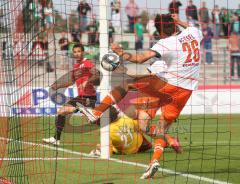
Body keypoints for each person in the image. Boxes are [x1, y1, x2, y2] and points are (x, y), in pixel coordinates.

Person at [78, 14, 203, 178]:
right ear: (175, 25)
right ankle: (154, 162)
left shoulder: (165, 44)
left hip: (167, 85)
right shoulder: (194, 32)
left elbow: (140, 58)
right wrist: (180, 21)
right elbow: (190, 27)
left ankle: (97, 112)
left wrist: (120, 52)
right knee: (156, 128)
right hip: (185, 91)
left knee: (127, 84)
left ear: (159, 32)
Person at [43, 43, 100, 145]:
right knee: (61, 112)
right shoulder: (75, 66)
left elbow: (96, 74)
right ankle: (56, 139)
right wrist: (59, 86)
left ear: (83, 52)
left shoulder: (87, 62)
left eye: (79, 51)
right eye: (75, 52)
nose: (77, 54)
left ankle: (87, 111)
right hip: (81, 97)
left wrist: (87, 81)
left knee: (93, 119)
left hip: (89, 96)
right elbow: (72, 82)